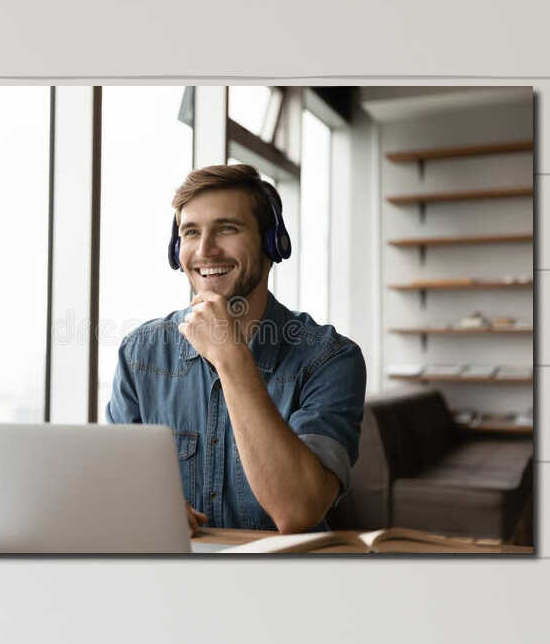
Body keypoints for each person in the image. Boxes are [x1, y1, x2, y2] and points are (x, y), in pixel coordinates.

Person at [107, 164, 365, 534]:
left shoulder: (330, 358)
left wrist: (230, 355)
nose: (205, 250)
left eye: (227, 228)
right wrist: (140, 505)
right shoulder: (140, 354)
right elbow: (116, 485)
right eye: (191, 232)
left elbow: (298, 511)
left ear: (272, 241)